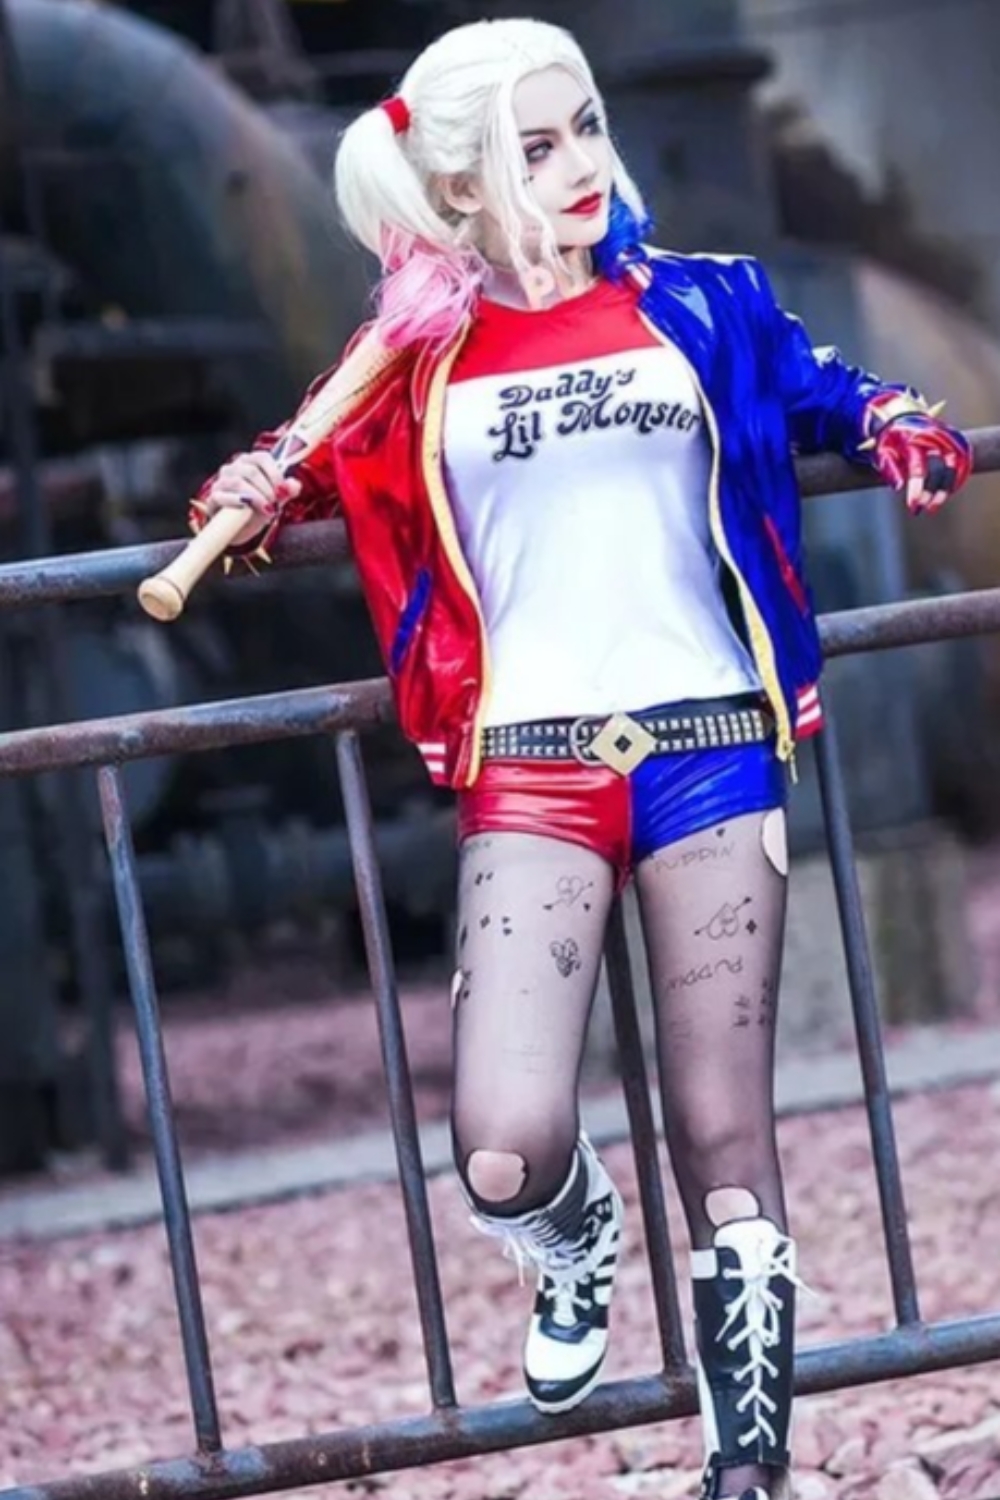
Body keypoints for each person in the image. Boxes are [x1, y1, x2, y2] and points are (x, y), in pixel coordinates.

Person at [190, 19, 973, 1500]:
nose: (579, 166)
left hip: (709, 743)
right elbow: (309, 465)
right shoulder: (409, 361)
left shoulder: (708, 299)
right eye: (535, 146)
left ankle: (748, 1469)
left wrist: (892, 421)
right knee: (502, 1142)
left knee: (724, 1132)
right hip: (531, 762)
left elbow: (819, 385)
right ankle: (575, 1242)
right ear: (463, 185)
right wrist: (255, 488)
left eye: (588, 128)